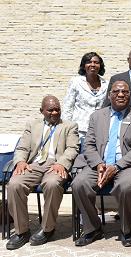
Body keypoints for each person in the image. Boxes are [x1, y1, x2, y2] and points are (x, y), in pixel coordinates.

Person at [72, 81, 131, 247]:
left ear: (130, 95)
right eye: (116, 91)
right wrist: (99, 164)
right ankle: (93, 228)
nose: (121, 94)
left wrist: (117, 166)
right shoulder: (97, 116)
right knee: (79, 183)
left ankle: (125, 229)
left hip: (127, 165)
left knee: (126, 185)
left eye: (125, 92)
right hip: (99, 164)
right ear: (109, 95)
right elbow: (89, 145)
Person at [6, 96, 79, 250]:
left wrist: (62, 163)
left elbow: (73, 148)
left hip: (55, 165)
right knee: (14, 184)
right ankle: (22, 231)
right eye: (50, 110)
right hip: (33, 165)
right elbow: (22, 148)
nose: (54, 112)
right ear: (42, 111)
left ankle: (48, 228)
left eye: (57, 109)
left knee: (52, 184)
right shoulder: (32, 125)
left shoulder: (69, 126)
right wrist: (20, 161)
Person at [62, 52, 108, 139]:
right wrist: (66, 129)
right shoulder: (76, 82)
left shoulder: (106, 84)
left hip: (99, 130)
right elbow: (68, 107)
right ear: (83, 66)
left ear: (100, 66)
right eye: (89, 62)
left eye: (96, 62)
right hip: (79, 130)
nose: (93, 65)